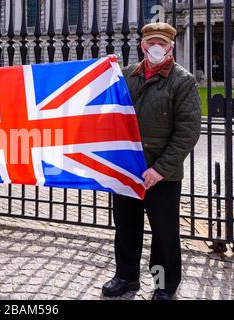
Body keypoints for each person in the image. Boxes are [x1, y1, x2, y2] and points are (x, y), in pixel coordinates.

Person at [101, 23, 202, 300]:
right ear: (143, 45)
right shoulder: (125, 76)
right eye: (151, 42)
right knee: (125, 227)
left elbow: (188, 131)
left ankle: (164, 285)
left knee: (164, 233)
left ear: (170, 47)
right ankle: (126, 277)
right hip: (128, 170)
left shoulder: (183, 81)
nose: (156, 47)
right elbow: (108, 115)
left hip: (162, 174)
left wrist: (160, 169)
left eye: (162, 43)